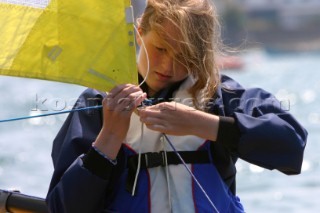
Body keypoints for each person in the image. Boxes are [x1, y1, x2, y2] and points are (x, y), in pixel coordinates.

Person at [46, 0, 307, 212]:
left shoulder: (223, 96)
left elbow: (292, 145)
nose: (168, 67)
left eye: (184, 56)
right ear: (139, 34)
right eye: (159, 49)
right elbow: (62, 207)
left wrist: (203, 124)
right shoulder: (97, 104)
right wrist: (110, 138)